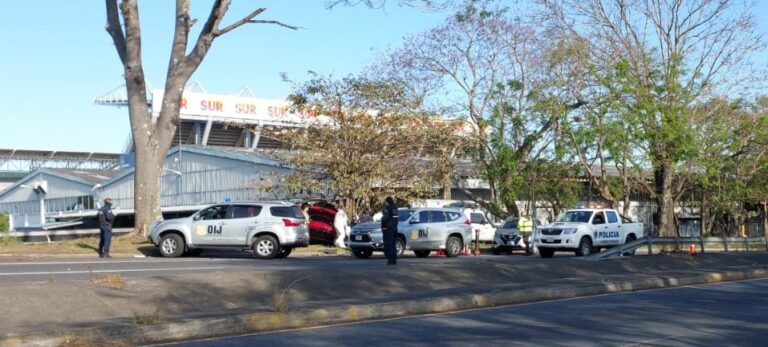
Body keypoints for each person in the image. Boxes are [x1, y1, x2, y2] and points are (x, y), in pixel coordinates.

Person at [381, 196, 399, 265]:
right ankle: (394, 260)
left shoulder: (388, 208)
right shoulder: (395, 208)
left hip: (388, 229)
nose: (385, 203)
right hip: (395, 228)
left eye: (385, 202)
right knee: (393, 245)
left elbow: (385, 218)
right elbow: (395, 219)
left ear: (387, 201)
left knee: (388, 245)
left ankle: (390, 260)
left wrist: (383, 226)